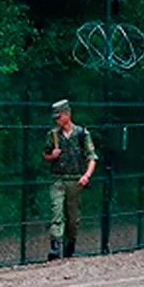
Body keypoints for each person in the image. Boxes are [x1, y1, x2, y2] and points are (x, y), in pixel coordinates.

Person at [42, 99, 97, 260]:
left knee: (72, 219)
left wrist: (87, 175)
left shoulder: (81, 134)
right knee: (56, 212)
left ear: (67, 114)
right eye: (56, 118)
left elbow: (91, 157)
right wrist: (52, 156)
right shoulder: (53, 135)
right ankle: (55, 247)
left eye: (59, 117)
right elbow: (45, 154)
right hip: (58, 179)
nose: (57, 120)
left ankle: (70, 245)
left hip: (75, 180)